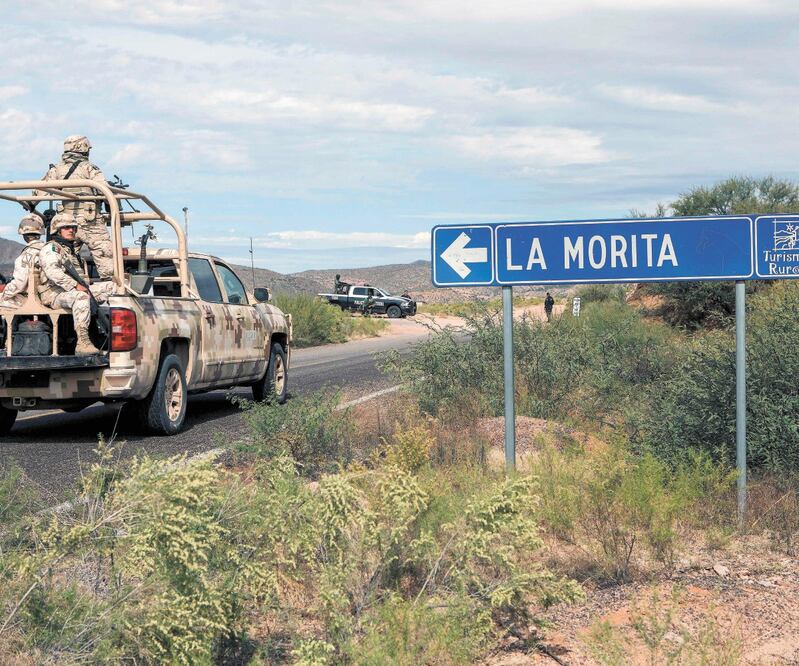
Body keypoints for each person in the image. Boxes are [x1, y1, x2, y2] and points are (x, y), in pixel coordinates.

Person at [33, 135, 114, 279]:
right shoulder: (90, 168)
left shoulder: (56, 170)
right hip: (91, 221)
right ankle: (113, 288)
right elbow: (105, 190)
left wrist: (30, 205)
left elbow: (37, 193)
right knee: (104, 254)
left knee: (65, 256)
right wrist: (113, 206)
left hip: (66, 222)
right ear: (83, 148)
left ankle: (69, 284)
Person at [38, 213, 115, 355]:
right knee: (81, 297)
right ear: (57, 230)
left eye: (73, 227)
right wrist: (74, 286)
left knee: (112, 287)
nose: (71, 230)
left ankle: (118, 329)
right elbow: (53, 272)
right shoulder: (51, 249)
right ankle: (83, 342)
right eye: (66, 227)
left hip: (71, 291)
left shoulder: (71, 251)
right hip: (54, 294)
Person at [0, 214, 46, 308]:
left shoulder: (26, 255)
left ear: (24, 234)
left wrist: (4, 294)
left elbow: (19, 283)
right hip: (46, 295)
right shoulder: (48, 249)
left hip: (32, 299)